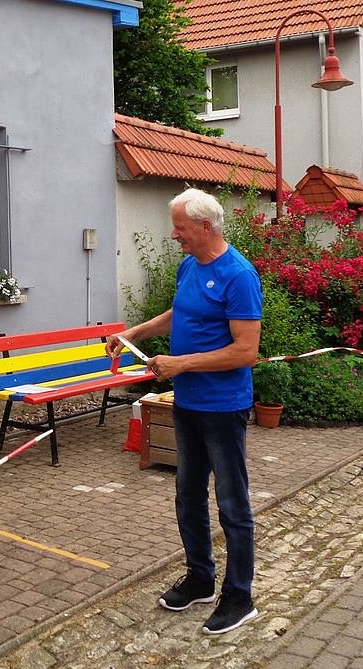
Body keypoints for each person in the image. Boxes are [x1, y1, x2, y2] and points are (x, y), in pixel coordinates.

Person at [105, 187, 263, 635]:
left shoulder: (239, 276)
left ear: (205, 227)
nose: (174, 235)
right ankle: (200, 578)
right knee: (187, 495)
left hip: (223, 408)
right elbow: (181, 313)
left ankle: (240, 595)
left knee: (232, 504)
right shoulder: (190, 265)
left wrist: (181, 364)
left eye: (180, 228)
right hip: (187, 403)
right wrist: (133, 332)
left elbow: (246, 351)